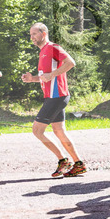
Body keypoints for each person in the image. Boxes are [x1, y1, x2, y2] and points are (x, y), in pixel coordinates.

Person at [21, 23, 86, 177]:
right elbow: (46, 77)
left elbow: (71, 63)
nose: (32, 37)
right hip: (53, 95)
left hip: (57, 96)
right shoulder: (43, 52)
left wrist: (53, 74)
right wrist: (32, 79)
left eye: (34, 34)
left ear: (44, 33)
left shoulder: (52, 47)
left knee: (37, 130)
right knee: (58, 131)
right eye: (30, 35)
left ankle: (63, 160)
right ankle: (78, 164)